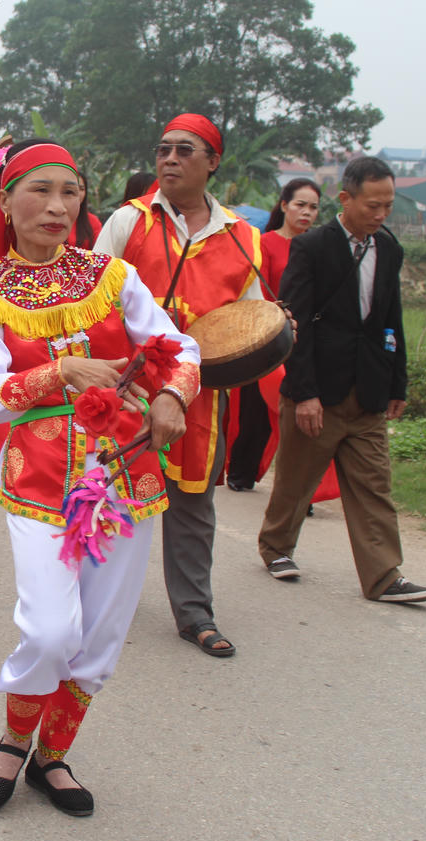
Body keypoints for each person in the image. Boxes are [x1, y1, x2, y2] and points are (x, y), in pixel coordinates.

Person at [0, 138, 197, 816]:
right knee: (48, 629)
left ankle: (51, 755)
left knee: (98, 635)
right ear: (6, 200)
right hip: (39, 477)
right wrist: (60, 371)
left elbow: (179, 346)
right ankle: (14, 738)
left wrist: (172, 395)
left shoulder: (113, 276)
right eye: (40, 190)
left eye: (70, 192)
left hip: (124, 470)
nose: (58, 206)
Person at [95, 113, 262, 658]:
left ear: (213, 162)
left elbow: (250, 324)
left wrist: (277, 328)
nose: (169, 159)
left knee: (192, 505)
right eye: (163, 149)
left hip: (200, 394)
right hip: (127, 385)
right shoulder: (129, 221)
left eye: (184, 150)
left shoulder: (243, 238)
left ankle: (195, 614)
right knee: (108, 494)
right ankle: (87, 600)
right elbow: (91, 297)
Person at [257, 157, 426, 603]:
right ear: (346, 199)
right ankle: (277, 548)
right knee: (297, 480)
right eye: (373, 205)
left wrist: (397, 384)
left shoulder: (389, 248)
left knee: (374, 485)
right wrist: (305, 393)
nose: (381, 214)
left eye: (388, 205)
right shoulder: (313, 247)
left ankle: (384, 576)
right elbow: (296, 322)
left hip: (369, 389)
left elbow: (392, 317)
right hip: (318, 388)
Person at [226, 178, 322, 491]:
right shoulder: (264, 244)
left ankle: (302, 488)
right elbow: (259, 294)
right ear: (284, 206)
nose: (307, 212)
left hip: (307, 339)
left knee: (304, 412)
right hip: (269, 337)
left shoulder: (318, 249)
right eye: (300, 205)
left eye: (313, 207)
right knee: (256, 410)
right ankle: (242, 472)